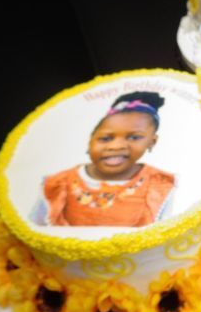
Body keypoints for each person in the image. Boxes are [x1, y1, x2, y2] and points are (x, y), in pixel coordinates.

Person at [32, 92, 176, 226]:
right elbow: (31, 230)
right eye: (106, 138)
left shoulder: (161, 184)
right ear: (91, 140)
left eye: (134, 137)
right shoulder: (57, 184)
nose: (116, 146)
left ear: (152, 142)